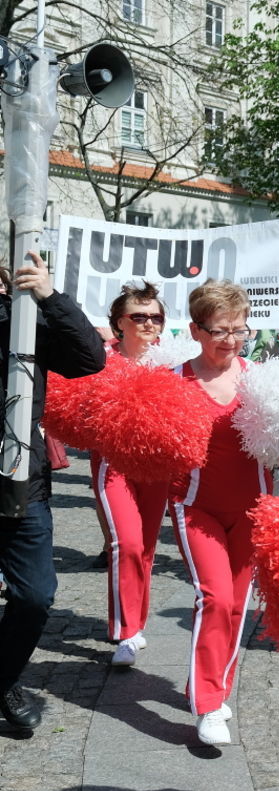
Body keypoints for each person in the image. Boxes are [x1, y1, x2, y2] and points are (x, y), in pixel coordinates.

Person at [0, 252, 105, 731]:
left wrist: (48, 296)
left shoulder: (20, 318)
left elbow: (88, 358)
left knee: (35, 597)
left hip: (23, 482)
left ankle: (1, 680)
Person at [169, 281, 271, 746]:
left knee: (237, 605)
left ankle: (211, 684)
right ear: (195, 330)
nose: (230, 340)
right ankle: (209, 705)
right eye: (219, 330)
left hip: (252, 510)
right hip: (196, 507)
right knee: (213, 598)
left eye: (239, 329)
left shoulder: (261, 380)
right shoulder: (175, 381)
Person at [95, 282, 170, 667]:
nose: (148, 323)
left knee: (145, 546)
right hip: (114, 464)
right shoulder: (101, 359)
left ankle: (136, 621)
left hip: (156, 467)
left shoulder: (171, 359)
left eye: (155, 317)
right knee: (125, 542)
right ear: (119, 322)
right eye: (138, 316)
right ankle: (126, 631)